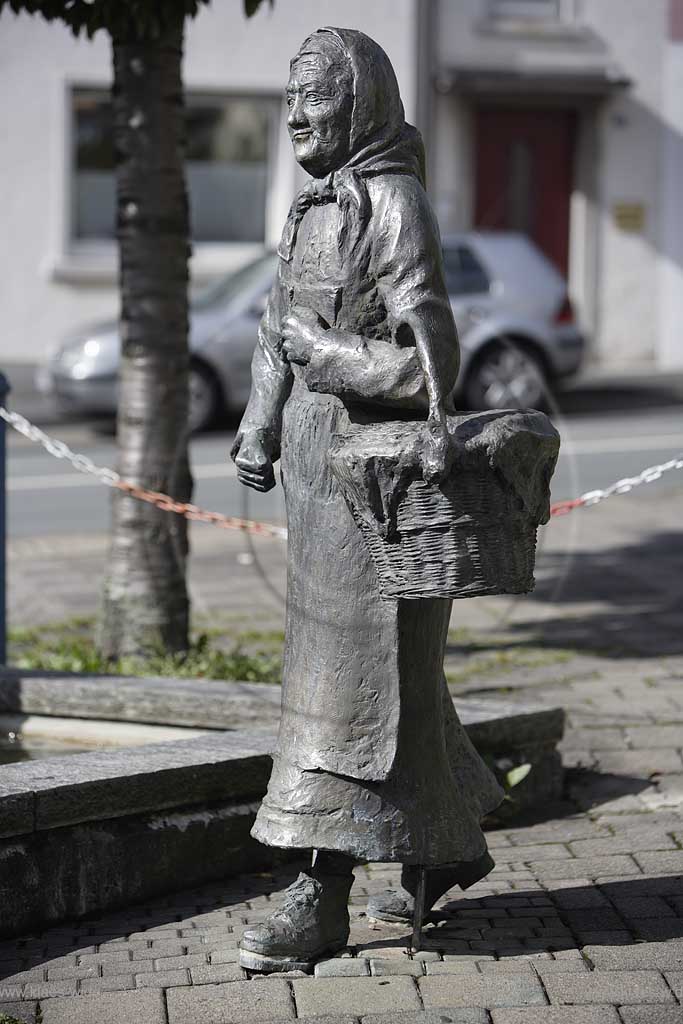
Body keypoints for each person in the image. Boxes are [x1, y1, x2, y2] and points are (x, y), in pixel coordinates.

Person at [231, 26, 503, 974]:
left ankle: (320, 891)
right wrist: (261, 421)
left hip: (375, 488)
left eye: (316, 95)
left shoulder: (389, 199)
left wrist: (331, 357)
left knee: (347, 689)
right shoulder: (309, 207)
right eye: (291, 95)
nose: (297, 112)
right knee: (380, 681)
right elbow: (276, 323)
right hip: (313, 480)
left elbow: (434, 366)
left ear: (359, 103)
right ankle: (449, 846)